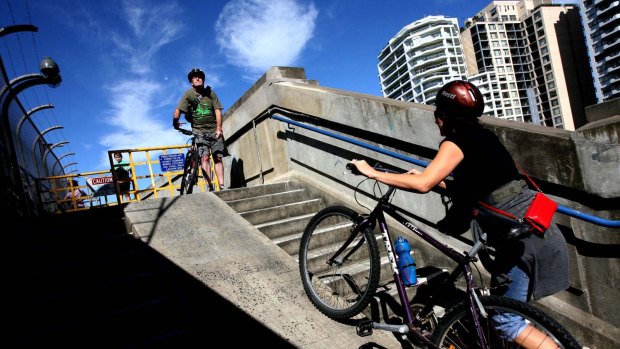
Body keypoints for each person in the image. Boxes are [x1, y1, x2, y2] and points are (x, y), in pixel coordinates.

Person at [349, 80, 569, 349]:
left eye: (437, 115)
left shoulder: (455, 142)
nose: (436, 121)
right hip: (536, 224)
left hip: (519, 239)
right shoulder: (485, 137)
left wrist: (372, 172)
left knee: (506, 322)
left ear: (444, 116)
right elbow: (477, 185)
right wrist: (431, 178)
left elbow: (422, 185)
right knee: (510, 314)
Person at [172, 67, 227, 191]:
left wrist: (219, 128)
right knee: (204, 158)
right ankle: (209, 185)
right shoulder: (189, 94)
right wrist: (175, 123)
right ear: (192, 82)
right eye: (194, 77)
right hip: (199, 131)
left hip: (214, 130)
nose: (198, 78)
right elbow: (178, 111)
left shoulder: (211, 93)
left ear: (203, 79)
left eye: (200, 76)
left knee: (218, 158)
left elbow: (218, 111)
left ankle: (222, 186)